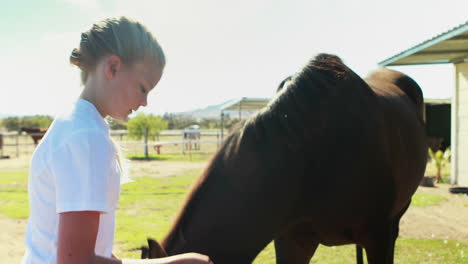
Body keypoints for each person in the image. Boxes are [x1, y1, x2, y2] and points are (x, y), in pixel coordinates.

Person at [21, 16, 213, 264]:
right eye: (143, 88)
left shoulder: (76, 126)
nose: (145, 102)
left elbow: (92, 251)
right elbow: (76, 261)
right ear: (113, 68)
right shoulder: (86, 137)